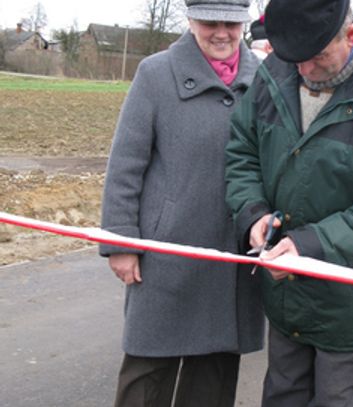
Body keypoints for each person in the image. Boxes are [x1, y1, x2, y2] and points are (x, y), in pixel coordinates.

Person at [225, 0, 353, 405]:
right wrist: (252, 213)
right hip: (286, 297)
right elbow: (242, 152)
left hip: (352, 302)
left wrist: (311, 245)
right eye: (293, 58)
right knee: (282, 395)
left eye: (317, 56)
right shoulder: (275, 72)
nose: (303, 70)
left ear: (350, 36)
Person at [99, 1, 264, 406]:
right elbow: (126, 164)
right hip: (165, 254)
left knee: (213, 373)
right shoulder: (155, 74)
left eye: (232, 23)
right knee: (147, 371)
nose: (222, 33)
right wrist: (122, 242)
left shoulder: (264, 78)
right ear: (189, 20)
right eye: (210, 22)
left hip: (233, 253)